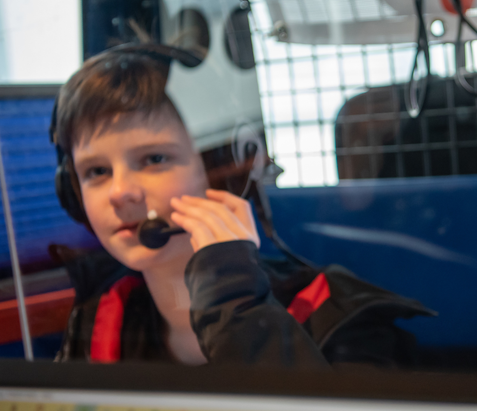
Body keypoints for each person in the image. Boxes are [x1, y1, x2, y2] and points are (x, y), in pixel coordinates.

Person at [50, 45, 433, 367]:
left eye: (154, 160)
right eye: (96, 171)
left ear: (225, 172)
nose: (120, 192)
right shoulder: (103, 315)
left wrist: (234, 301)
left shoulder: (335, 316)